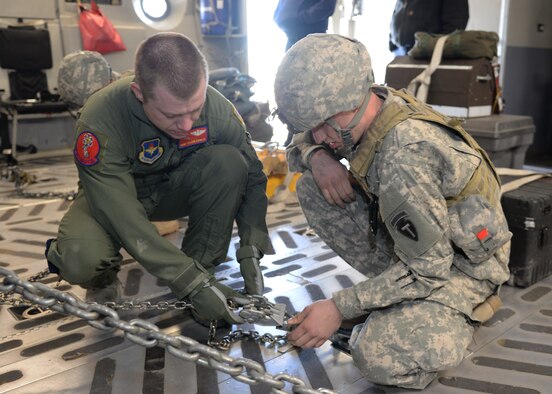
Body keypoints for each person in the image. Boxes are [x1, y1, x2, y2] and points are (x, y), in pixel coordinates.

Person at [274, 34, 511, 389]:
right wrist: (317, 157)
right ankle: (395, 300)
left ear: (352, 99)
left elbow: (429, 270)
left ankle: (456, 315)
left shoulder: (405, 153)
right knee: (312, 186)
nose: (320, 135)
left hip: (461, 269)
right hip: (422, 245)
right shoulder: (371, 104)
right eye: (313, 127)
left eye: (326, 124)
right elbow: (301, 142)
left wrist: (341, 307)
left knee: (376, 355)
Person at [45, 32, 269, 325]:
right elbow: (122, 215)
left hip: (172, 189)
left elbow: (252, 177)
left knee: (229, 162)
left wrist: (252, 249)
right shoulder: (101, 117)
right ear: (140, 94)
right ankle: (102, 280)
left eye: (195, 109)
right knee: (79, 258)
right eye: (173, 116)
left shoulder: (217, 108)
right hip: (112, 195)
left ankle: (202, 270)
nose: (187, 125)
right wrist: (185, 279)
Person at [389, 0, 469, 56]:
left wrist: (435, 50)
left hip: (428, 56)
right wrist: (392, 43)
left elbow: (454, 27)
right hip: (400, 52)